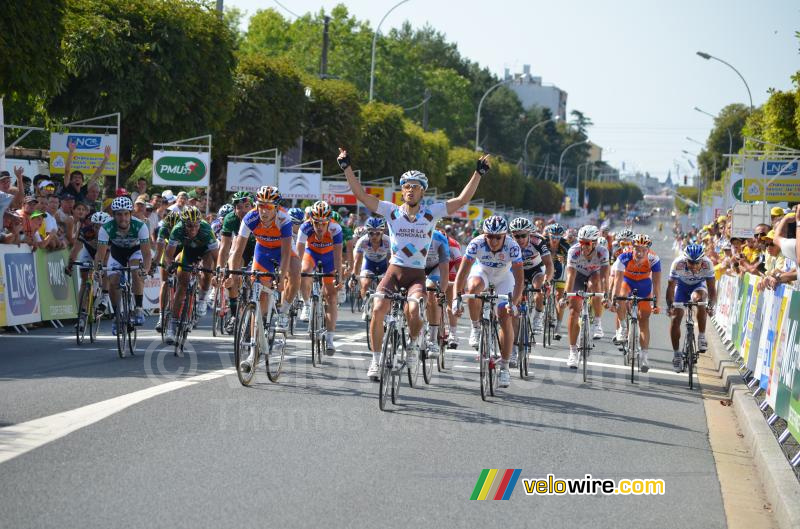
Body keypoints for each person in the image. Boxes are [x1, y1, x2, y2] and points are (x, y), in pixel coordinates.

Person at [340, 147, 489, 381]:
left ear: (423, 192)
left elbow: (461, 200)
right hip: (394, 271)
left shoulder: (431, 213)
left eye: (415, 186)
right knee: (378, 310)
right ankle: (376, 361)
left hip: (416, 275)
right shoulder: (390, 211)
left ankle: (412, 346)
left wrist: (478, 173)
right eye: (406, 186)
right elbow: (361, 195)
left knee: (412, 310)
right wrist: (347, 167)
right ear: (402, 191)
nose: (410, 190)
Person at [227, 186, 292, 373]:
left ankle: (284, 310)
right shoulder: (250, 218)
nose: (264, 210)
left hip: (281, 251)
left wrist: (282, 277)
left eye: (268, 207)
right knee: (258, 294)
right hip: (262, 251)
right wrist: (232, 275)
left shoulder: (284, 219)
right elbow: (237, 250)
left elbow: (287, 254)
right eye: (261, 205)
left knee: (294, 271)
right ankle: (253, 351)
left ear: (277, 207)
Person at [454, 216, 524, 388]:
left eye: (497, 237)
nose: (493, 241)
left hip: (503, 278)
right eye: (489, 236)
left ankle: (505, 367)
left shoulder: (512, 246)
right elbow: (462, 273)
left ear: (505, 236)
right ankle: (476, 327)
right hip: (482, 272)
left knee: (504, 316)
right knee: (474, 288)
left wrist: (513, 304)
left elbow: (519, 279)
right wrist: (457, 298)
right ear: (484, 235)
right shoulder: (476, 243)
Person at [94, 197, 153, 335]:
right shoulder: (106, 227)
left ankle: (138, 308)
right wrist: (97, 269)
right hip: (117, 252)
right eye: (119, 214)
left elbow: (147, 254)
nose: (123, 218)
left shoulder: (140, 226)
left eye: (126, 214)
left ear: (131, 214)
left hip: (135, 251)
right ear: (113, 215)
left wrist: (145, 270)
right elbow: (100, 254)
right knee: (113, 280)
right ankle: (117, 317)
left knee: (136, 271)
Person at [162, 206, 219, 342]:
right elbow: (169, 255)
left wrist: (216, 272)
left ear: (200, 223)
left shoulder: (206, 230)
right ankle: (172, 325)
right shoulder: (177, 229)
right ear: (183, 223)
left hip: (205, 251)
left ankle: (203, 298)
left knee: (207, 267)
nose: (193, 229)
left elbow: (217, 257)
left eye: (196, 225)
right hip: (187, 252)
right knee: (182, 285)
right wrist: (170, 266)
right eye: (189, 226)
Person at [296, 201, 343, 354]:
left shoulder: (336, 229)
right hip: (312, 254)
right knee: (304, 270)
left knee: (331, 297)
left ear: (329, 221)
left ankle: (330, 339)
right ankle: (307, 304)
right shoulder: (305, 227)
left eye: (323, 223)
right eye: (316, 223)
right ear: (311, 220)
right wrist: (295, 274)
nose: (320, 227)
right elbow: (299, 254)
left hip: (329, 257)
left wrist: (339, 277)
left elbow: (338, 257)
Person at [611, 233, 661, 372]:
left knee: (644, 320)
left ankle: (644, 356)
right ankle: (622, 327)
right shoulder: (624, 257)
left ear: (648, 250)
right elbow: (618, 280)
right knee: (621, 297)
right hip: (627, 283)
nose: (639, 253)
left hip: (644, 285)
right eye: (637, 249)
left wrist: (656, 303)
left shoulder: (654, 259)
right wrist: (614, 299)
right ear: (632, 248)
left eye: (643, 250)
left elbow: (657, 283)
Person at [564, 225, 610, 368]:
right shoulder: (574, 251)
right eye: (581, 242)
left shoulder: (602, 252)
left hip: (594, 275)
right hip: (577, 276)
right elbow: (570, 276)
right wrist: (566, 295)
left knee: (595, 284)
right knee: (573, 311)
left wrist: (606, 295)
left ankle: (597, 322)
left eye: (587, 243)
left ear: (595, 243)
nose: (583, 246)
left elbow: (604, 277)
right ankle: (573, 352)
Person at [666, 243, 716, 372]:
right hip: (681, 288)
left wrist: (710, 305)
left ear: (702, 260)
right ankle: (677, 354)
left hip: (698, 286)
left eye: (697, 263)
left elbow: (711, 288)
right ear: (685, 259)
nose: (694, 265)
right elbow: (671, 287)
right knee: (676, 318)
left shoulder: (708, 264)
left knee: (699, 300)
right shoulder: (678, 263)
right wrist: (670, 305)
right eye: (690, 262)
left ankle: (701, 336)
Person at [508, 217, 552, 340]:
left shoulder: (537, 241)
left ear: (529, 234)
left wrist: (547, 281)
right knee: (513, 296)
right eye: (517, 236)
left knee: (539, 289)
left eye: (523, 235)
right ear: (512, 236)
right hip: (517, 270)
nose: (520, 239)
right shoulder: (508, 243)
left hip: (535, 269)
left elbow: (548, 264)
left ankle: (538, 316)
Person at [153, 210, 182, 333]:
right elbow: (159, 251)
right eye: (170, 227)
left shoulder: (183, 228)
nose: (171, 230)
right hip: (168, 251)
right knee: (165, 282)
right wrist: (155, 263)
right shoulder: (163, 229)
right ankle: (161, 315)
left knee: (183, 278)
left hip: (181, 250)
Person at [352, 216, 391, 301]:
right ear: (367, 232)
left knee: (384, 287)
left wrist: (389, 277)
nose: (374, 236)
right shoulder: (362, 241)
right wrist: (354, 277)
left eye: (377, 233)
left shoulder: (388, 241)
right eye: (371, 233)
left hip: (383, 264)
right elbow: (358, 261)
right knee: (365, 283)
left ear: (383, 232)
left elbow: (390, 261)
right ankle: (366, 308)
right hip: (369, 264)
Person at [544, 223, 571, 337]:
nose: (555, 239)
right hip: (547, 271)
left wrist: (564, 259)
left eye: (558, 237)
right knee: (542, 291)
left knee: (559, 298)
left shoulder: (565, 246)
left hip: (561, 272)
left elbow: (572, 261)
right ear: (548, 235)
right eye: (553, 236)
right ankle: (544, 312)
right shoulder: (544, 243)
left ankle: (558, 326)